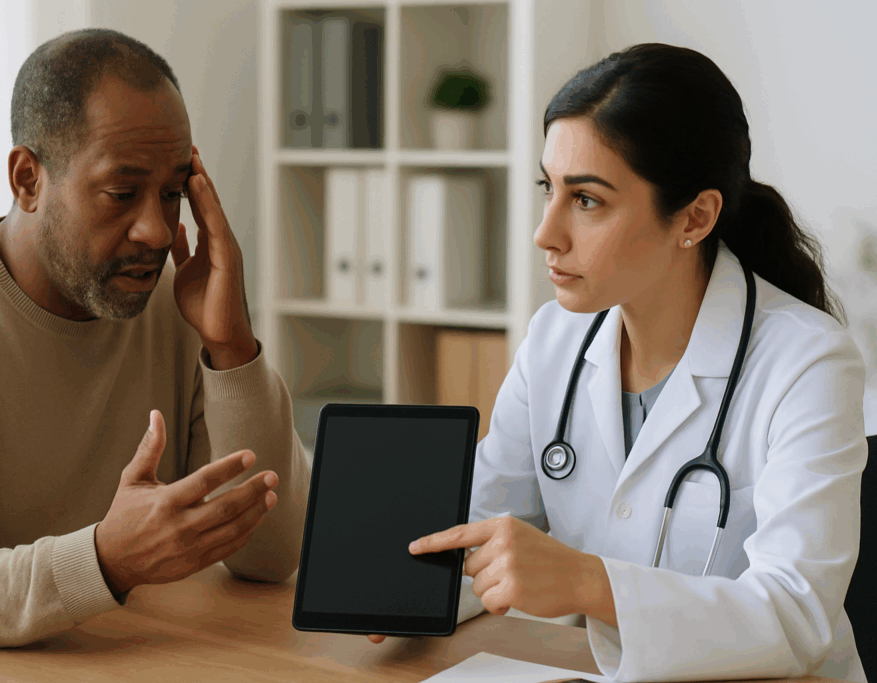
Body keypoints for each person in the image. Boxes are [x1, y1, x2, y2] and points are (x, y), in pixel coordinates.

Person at [372, 43, 869, 682]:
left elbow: (795, 616)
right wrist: (404, 588)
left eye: (587, 201)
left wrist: (587, 582)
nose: (545, 232)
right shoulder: (555, 341)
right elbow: (489, 530)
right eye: (548, 188)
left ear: (694, 217)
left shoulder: (808, 362)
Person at [0, 29, 309, 671]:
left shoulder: (175, 308)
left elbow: (271, 556)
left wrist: (231, 349)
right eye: (122, 194)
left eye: (174, 192)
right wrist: (103, 559)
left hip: (114, 662)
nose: (156, 230)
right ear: (27, 180)